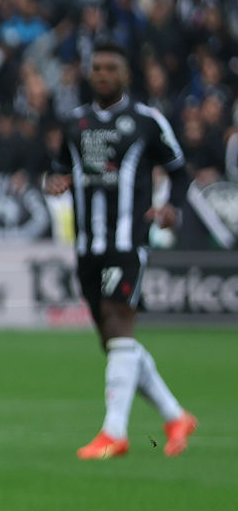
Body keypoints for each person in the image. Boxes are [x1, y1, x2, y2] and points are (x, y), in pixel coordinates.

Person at [44, 42, 198, 460]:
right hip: (87, 245)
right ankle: (174, 415)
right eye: (97, 68)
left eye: (111, 68)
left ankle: (115, 431)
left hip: (128, 242)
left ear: (126, 75)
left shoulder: (147, 121)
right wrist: (53, 184)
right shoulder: (75, 124)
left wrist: (172, 208)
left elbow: (181, 173)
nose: (103, 74)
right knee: (113, 340)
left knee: (118, 323)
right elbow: (57, 173)